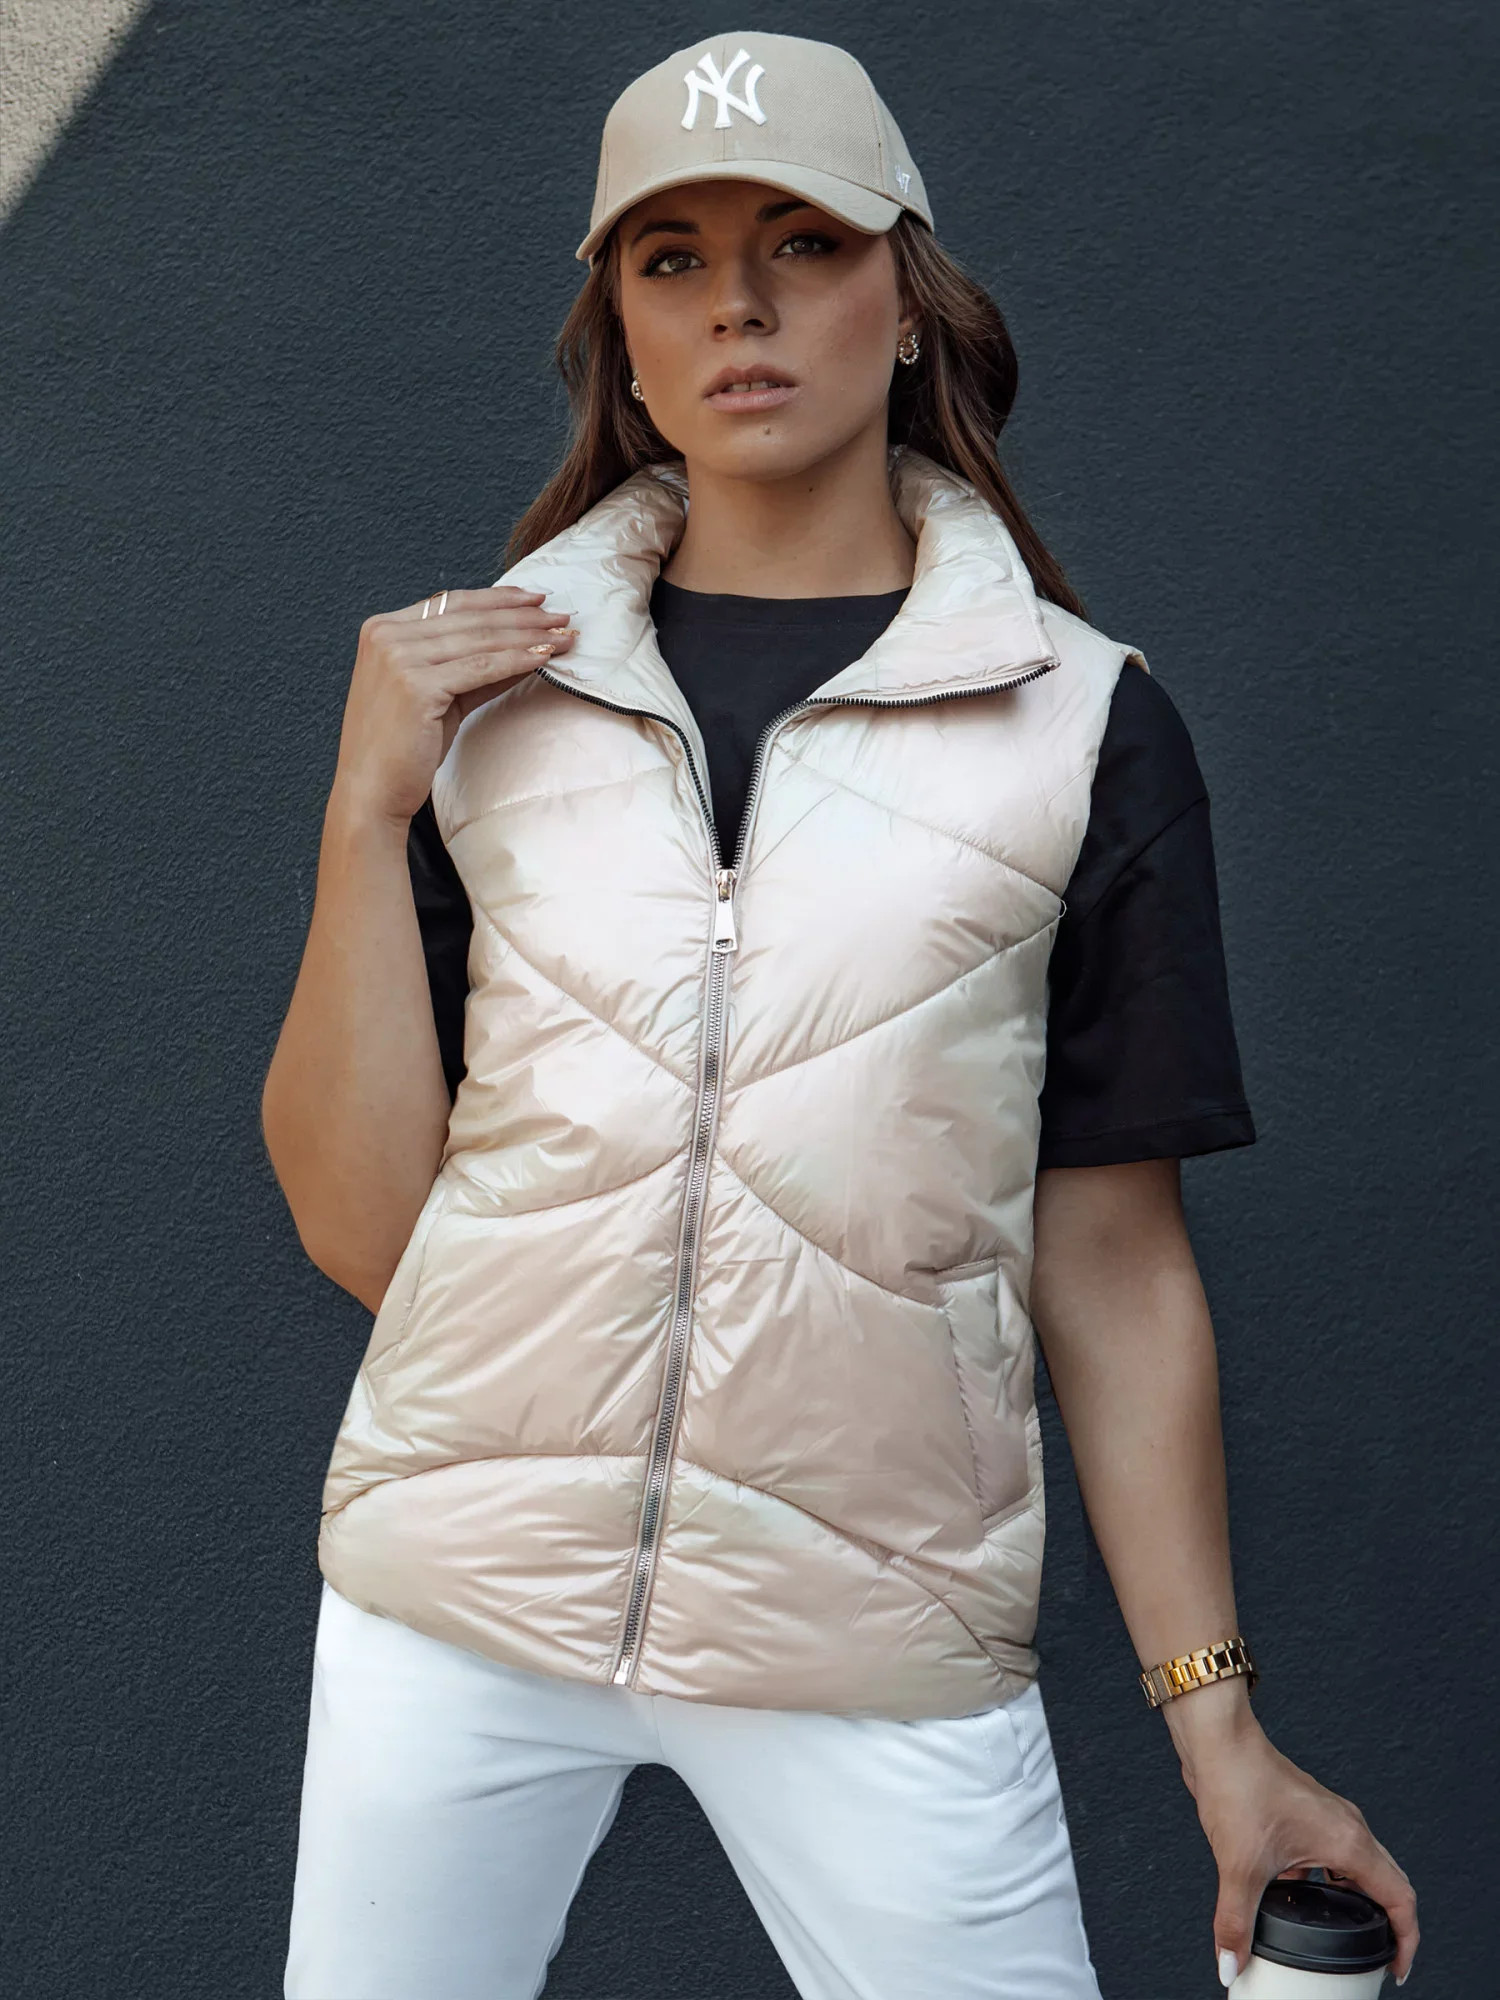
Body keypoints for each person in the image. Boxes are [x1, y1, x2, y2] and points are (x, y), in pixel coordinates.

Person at [261, 31, 1418, 2000]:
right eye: (674, 260)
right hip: (447, 1621)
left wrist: (1218, 1724)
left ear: (908, 299)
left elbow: (1116, 1262)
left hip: (876, 1640)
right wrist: (364, 811)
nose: (740, 303)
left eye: (802, 241)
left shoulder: (1084, 724)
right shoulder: (480, 709)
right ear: (623, 342)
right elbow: (374, 1237)